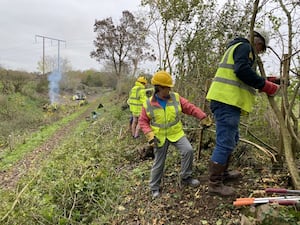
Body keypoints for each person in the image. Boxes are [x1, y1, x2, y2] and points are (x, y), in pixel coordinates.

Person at [205, 29, 280, 196]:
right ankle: (214, 184)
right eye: (261, 49)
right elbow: (242, 71)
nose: (260, 52)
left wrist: (271, 81)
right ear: (258, 43)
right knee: (225, 142)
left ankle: (223, 173)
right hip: (226, 101)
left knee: (232, 138)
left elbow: (246, 73)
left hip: (229, 101)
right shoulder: (245, 47)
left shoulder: (239, 48)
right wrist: (265, 86)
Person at [139, 70, 212, 198]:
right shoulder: (148, 104)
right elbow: (143, 121)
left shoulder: (175, 97)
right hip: (159, 137)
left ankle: (185, 177)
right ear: (159, 88)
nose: (169, 90)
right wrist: (150, 135)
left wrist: (202, 117)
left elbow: (190, 107)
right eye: (167, 87)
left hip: (176, 133)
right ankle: (154, 187)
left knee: (188, 150)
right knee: (159, 162)